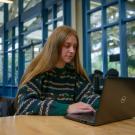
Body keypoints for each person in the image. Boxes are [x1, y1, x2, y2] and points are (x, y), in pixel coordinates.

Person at [15, 25, 100, 116]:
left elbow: (89, 97)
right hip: (34, 128)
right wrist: (67, 108)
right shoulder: (38, 73)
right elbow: (25, 104)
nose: (72, 50)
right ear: (55, 46)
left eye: (74, 47)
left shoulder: (74, 75)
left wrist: (105, 103)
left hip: (62, 127)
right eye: (67, 46)